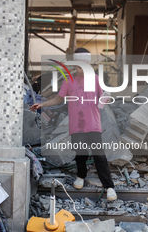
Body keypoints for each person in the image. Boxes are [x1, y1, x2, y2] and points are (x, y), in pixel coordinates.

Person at [30, 48, 117, 201]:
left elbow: (100, 100)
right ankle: (81, 176)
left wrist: (106, 98)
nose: (80, 69)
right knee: (80, 154)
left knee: (99, 156)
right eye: (77, 66)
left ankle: (109, 186)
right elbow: (59, 98)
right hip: (76, 124)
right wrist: (42, 104)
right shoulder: (69, 80)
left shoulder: (95, 79)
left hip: (93, 124)